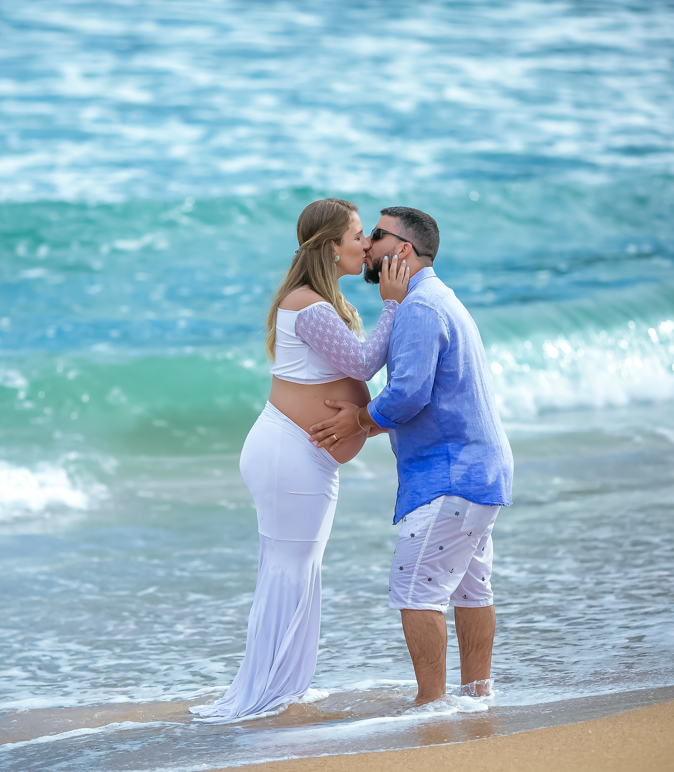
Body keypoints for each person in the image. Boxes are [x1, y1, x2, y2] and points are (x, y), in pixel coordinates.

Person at [191, 198, 409, 719]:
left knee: (295, 569)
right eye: (357, 235)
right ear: (332, 247)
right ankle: (265, 694)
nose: (366, 244)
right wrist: (393, 304)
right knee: (289, 570)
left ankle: (282, 685)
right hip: (288, 454)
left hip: (295, 454)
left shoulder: (319, 301)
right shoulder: (308, 305)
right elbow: (363, 362)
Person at [308, 206, 513, 705]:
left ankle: (431, 706)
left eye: (376, 235)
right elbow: (422, 394)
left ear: (402, 250)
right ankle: (477, 697)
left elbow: (408, 394)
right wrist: (369, 420)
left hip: (450, 475)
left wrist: (359, 421)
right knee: (471, 590)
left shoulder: (419, 308)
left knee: (416, 590)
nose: (367, 245)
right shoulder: (438, 298)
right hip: (479, 471)